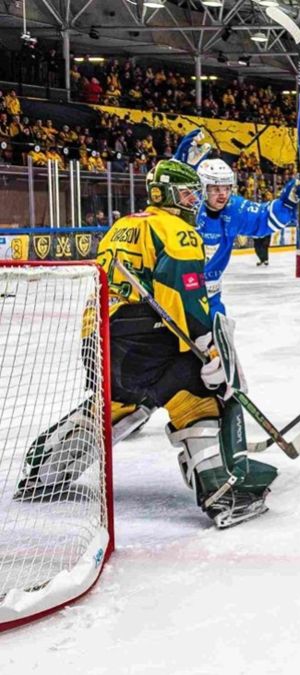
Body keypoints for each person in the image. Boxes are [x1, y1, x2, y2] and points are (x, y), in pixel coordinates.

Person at [18, 159, 278, 528]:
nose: (194, 202)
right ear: (169, 195)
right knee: (197, 394)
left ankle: (44, 471)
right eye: (188, 194)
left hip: (98, 341)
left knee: (118, 403)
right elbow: (183, 297)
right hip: (142, 343)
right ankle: (221, 493)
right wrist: (209, 349)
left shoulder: (123, 225)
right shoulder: (177, 231)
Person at [173, 130, 300, 317]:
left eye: (226, 187)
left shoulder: (234, 208)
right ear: (202, 187)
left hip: (210, 296)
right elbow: (162, 203)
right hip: (174, 293)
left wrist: (288, 202)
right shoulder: (186, 206)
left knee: (217, 342)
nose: (223, 194)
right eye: (215, 188)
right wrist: (177, 168)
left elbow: (263, 218)